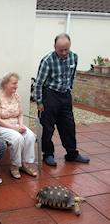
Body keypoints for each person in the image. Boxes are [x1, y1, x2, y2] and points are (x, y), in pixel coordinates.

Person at [34, 33, 90, 166]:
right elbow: (39, 84)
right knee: (47, 128)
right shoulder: (47, 60)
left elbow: (72, 75)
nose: (64, 52)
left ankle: (71, 154)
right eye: (61, 50)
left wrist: (69, 88)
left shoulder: (74, 57)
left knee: (68, 126)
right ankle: (48, 155)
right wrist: (39, 102)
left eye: (66, 49)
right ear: (54, 47)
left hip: (65, 95)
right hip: (50, 95)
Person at [0, 73, 37, 179]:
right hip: (1, 126)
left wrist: (21, 125)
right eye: (14, 83)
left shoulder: (16, 96)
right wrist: (15, 128)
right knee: (18, 138)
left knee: (30, 135)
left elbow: (20, 114)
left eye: (17, 83)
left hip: (16, 124)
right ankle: (15, 165)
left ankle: (25, 164)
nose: (16, 86)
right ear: (5, 84)